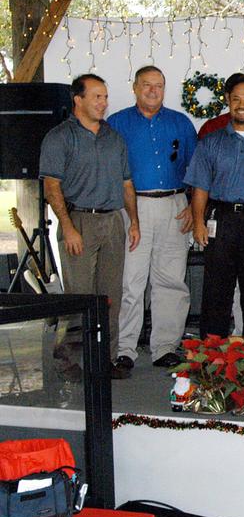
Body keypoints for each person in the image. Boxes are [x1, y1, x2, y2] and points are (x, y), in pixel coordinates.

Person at [40, 74, 140, 379]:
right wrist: (68, 228)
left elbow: (126, 183)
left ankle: (104, 361)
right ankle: (67, 363)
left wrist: (133, 221)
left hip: (113, 222)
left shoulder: (114, 138)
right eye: (97, 96)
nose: (103, 103)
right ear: (78, 100)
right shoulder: (59, 137)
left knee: (110, 297)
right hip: (79, 221)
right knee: (79, 296)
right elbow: (51, 187)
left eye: (105, 97)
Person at [106, 65, 197, 372]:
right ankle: (125, 349)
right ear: (135, 87)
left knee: (170, 280)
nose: (153, 90)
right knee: (131, 281)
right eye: (147, 85)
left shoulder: (180, 123)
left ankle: (165, 347)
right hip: (134, 208)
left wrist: (191, 207)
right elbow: (110, 171)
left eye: (159, 85)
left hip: (174, 204)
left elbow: (196, 169)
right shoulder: (117, 123)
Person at [186, 76, 244, 339]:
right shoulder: (211, 141)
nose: (241, 104)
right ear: (228, 101)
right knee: (216, 290)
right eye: (236, 99)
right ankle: (212, 353)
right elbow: (200, 186)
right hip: (221, 220)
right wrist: (199, 222)